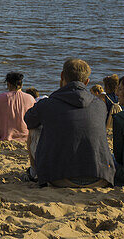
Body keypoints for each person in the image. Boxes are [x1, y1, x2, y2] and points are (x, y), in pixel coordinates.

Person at [24, 58, 114, 187]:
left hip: (59, 177)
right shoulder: (100, 105)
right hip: (100, 177)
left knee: (34, 130)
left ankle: (34, 173)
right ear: (86, 81)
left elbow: (28, 120)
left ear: (61, 76)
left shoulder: (47, 104)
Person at [0, 72, 35, 141]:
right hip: (25, 135)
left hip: (4, 135)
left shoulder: (2, 97)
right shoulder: (30, 98)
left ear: (8, 85)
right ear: (21, 85)